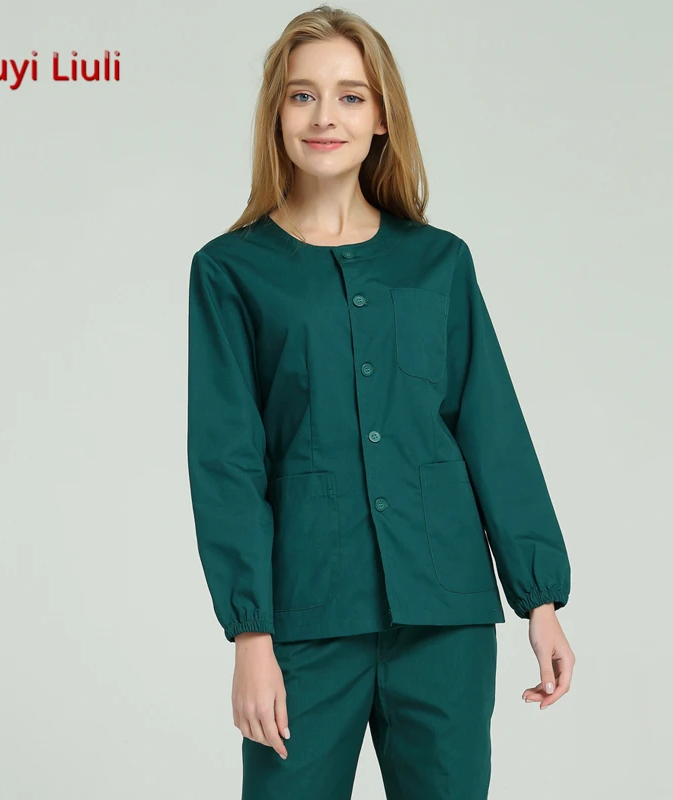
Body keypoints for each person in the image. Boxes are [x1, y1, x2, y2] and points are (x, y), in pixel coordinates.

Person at [186, 5, 575, 798]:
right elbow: (227, 460)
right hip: (306, 617)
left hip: (445, 616)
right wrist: (250, 633)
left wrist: (539, 599)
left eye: (350, 96)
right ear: (276, 115)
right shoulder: (230, 271)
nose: (325, 116)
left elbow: (491, 429)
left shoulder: (439, 263)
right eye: (302, 95)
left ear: (382, 117)